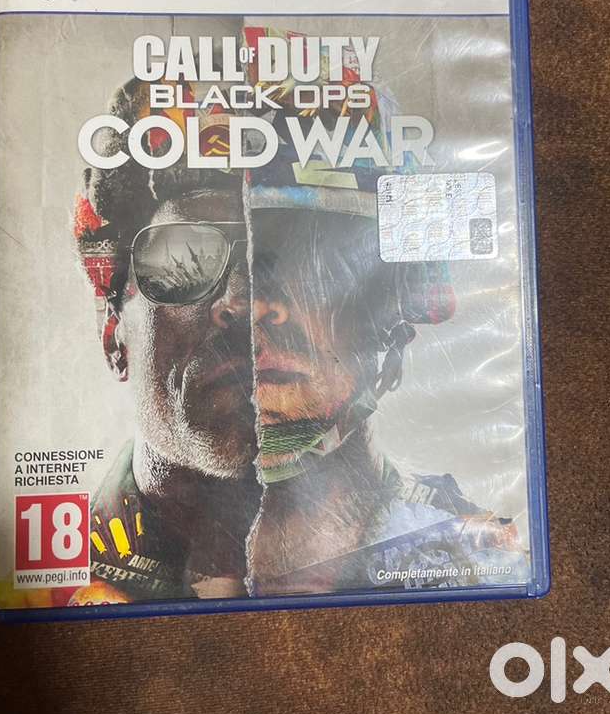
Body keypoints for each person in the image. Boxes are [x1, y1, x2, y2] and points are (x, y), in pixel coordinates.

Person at [70, 46, 527, 606]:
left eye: (309, 258)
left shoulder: (490, 570)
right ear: (113, 331)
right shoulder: (44, 582)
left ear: (393, 328)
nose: (246, 303)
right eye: (184, 257)